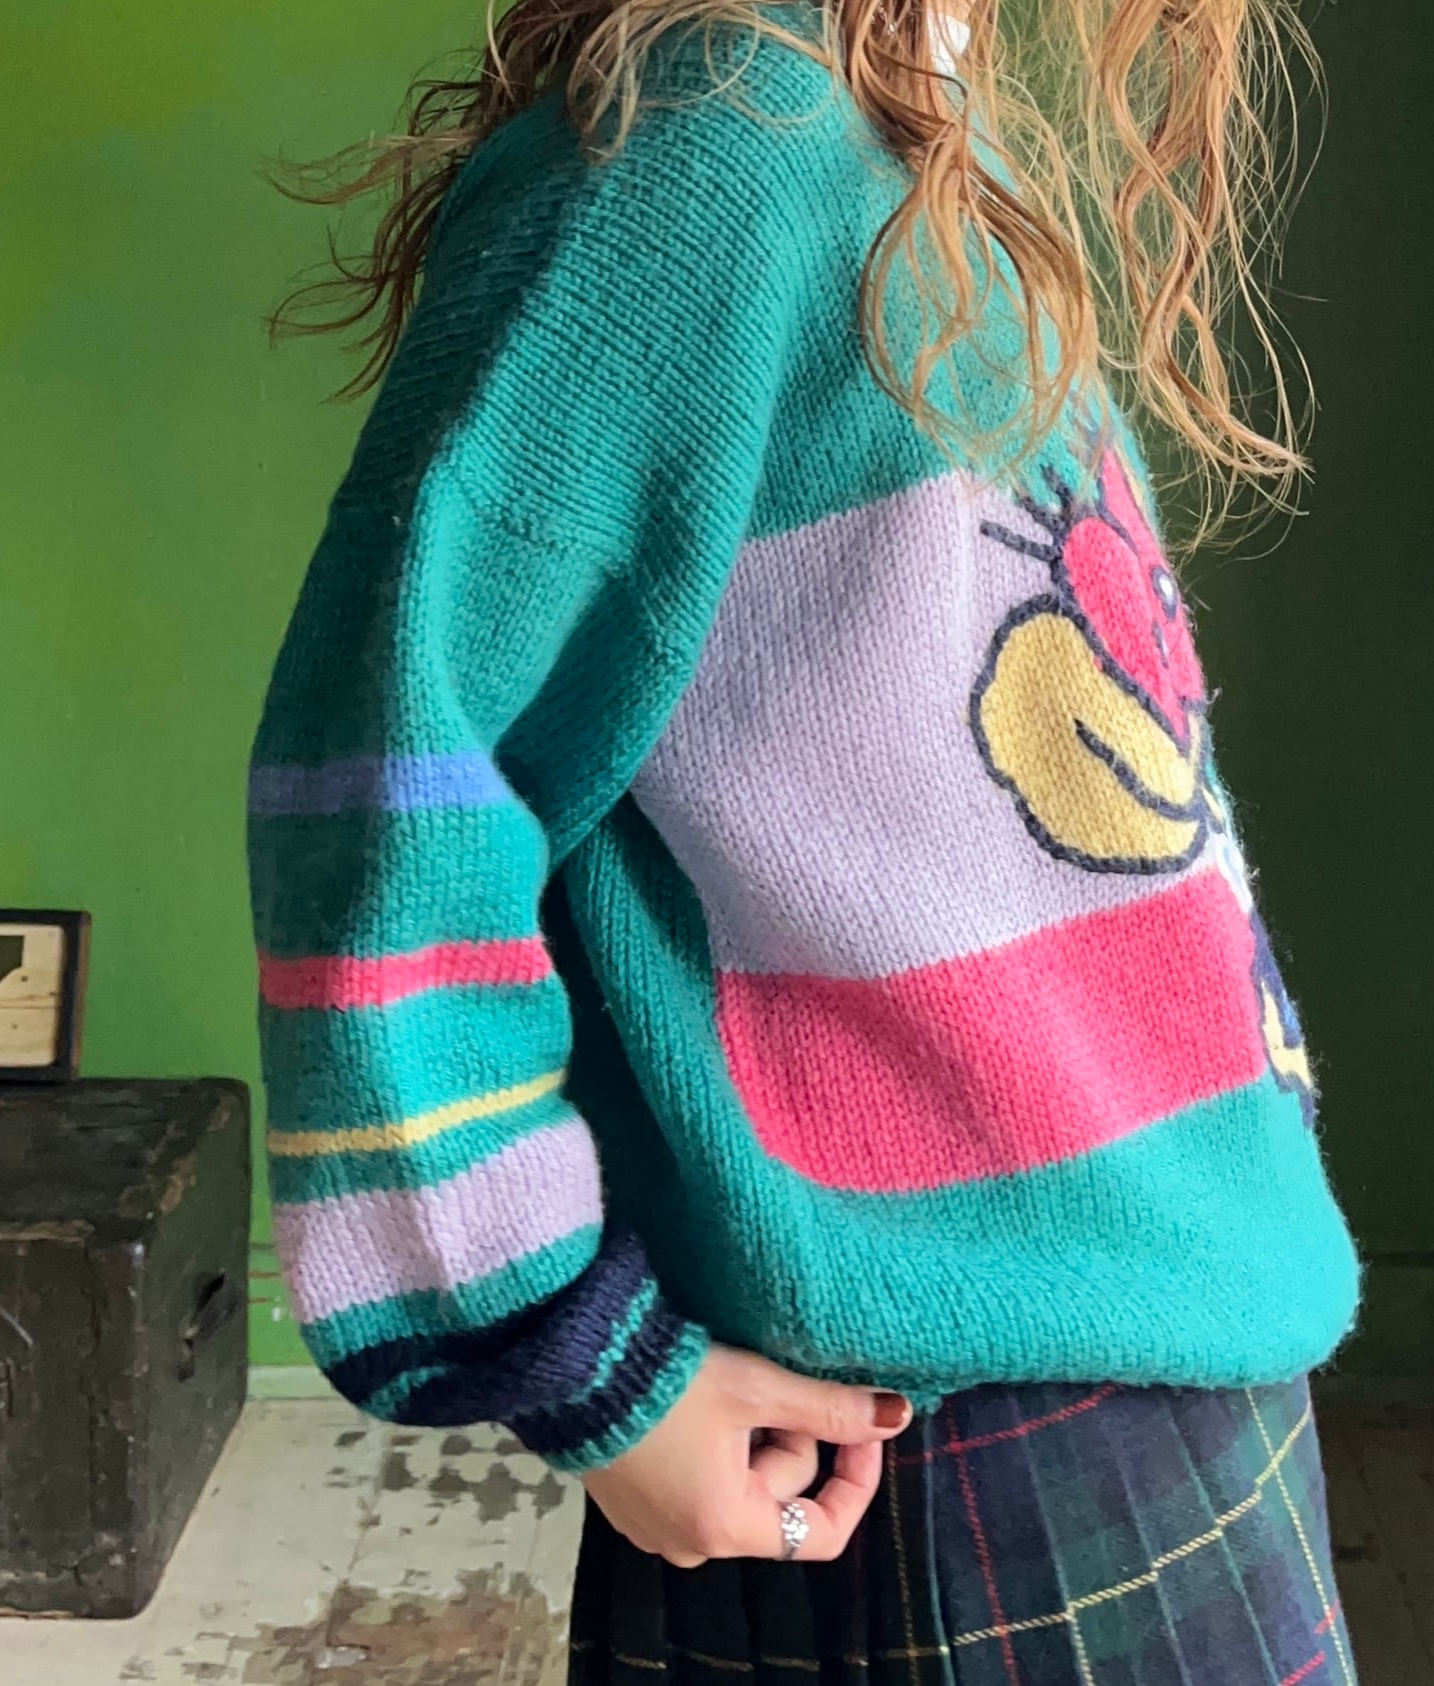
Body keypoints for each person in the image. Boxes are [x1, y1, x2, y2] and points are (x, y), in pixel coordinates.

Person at [246, 2, 1363, 1678]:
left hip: (1163, 1299)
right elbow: (390, 787)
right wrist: (562, 1348)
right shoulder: (705, 148)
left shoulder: (891, 121)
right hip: (930, 1425)